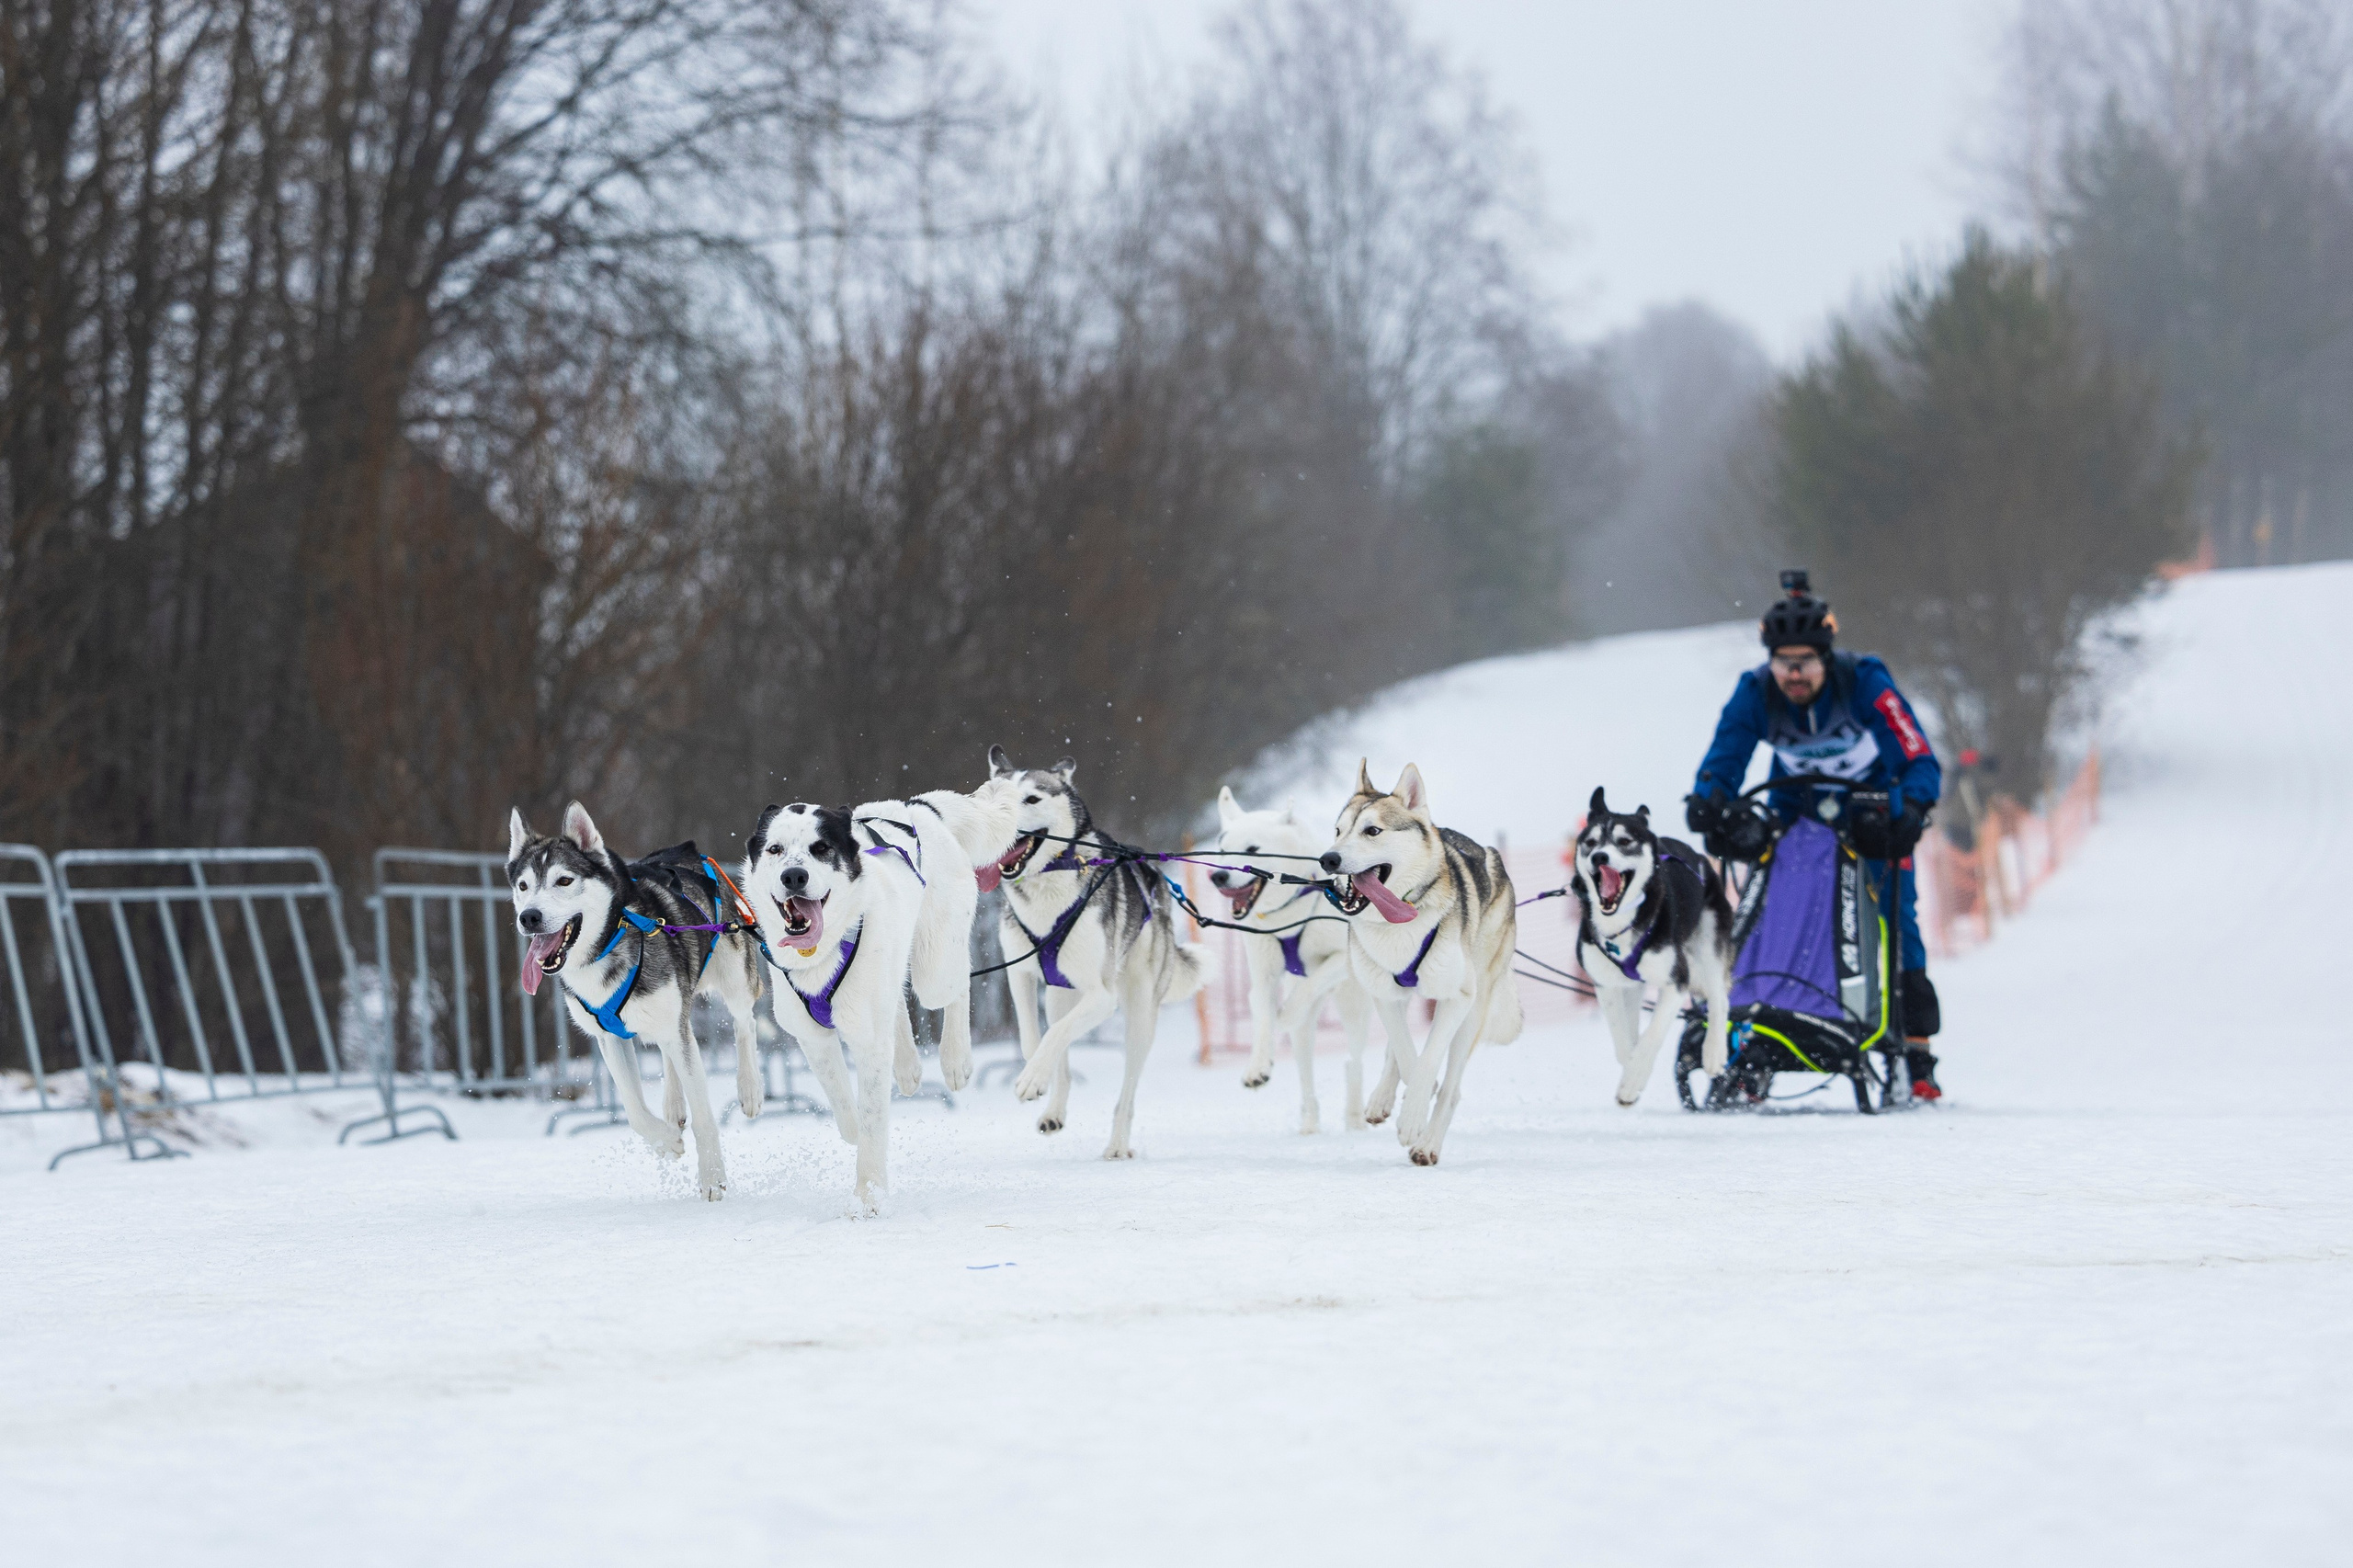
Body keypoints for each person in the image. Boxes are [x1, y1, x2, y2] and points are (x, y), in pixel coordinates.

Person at [1684, 571, 1947, 1101]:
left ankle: (1914, 1049)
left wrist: (1915, 805)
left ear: (1826, 659)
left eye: (1805, 661)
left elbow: (1916, 755)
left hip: (1870, 808)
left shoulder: (1864, 681)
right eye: (1783, 662)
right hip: (1796, 807)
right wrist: (1708, 800)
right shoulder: (1755, 691)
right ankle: (1762, 1024)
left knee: (1896, 917)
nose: (1794, 674)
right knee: (1772, 909)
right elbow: (1726, 755)